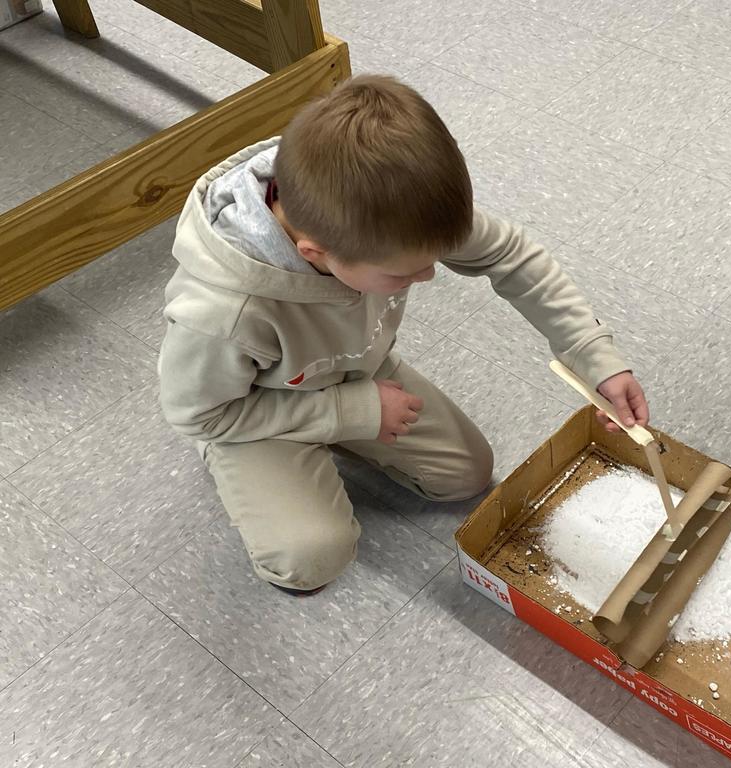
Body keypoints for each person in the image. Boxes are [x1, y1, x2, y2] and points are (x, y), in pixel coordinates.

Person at [158, 75, 649, 594]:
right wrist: (353, 412)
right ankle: (241, 462)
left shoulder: (391, 215)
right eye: (404, 274)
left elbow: (511, 255)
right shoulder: (222, 314)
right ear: (316, 255)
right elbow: (199, 415)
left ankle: (333, 432)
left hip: (353, 370)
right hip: (254, 413)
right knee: (312, 559)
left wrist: (594, 356)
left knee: (465, 476)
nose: (429, 276)